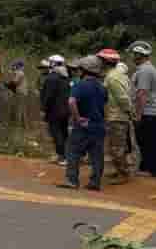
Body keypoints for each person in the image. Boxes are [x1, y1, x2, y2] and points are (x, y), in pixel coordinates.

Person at [61, 55, 108, 191]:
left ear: (83, 70)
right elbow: (104, 104)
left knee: (73, 151)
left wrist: (77, 118)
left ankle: (72, 180)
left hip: (84, 125)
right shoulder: (102, 87)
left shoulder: (80, 85)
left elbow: (71, 101)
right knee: (97, 155)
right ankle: (95, 182)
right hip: (98, 125)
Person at [98, 48, 134, 184]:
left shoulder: (112, 77)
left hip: (116, 116)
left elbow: (122, 98)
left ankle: (123, 173)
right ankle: (120, 170)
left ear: (105, 62)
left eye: (100, 60)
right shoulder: (119, 75)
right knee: (117, 145)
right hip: (118, 115)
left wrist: (129, 111)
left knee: (116, 146)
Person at [129, 41, 156, 177]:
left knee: (147, 141)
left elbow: (142, 94)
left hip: (147, 112)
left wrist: (138, 115)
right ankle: (145, 167)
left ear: (140, 55)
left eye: (134, 54)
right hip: (148, 111)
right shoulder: (146, 69)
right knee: (146, 141)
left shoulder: (145, 70)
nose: (133, 56)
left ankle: (150, 169)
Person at [41, 56, 70, 166]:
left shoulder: (51, 78)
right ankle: (65, 156)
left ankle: (61, 156)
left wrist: (43, 109)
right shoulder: (66, 77)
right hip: (65, 110)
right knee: (64, 133)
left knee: (56, 133)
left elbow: (48, 96)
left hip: (54, 111)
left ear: (52, 64)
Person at [6, 60, 28, 128]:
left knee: (19, 109)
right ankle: (25, 125)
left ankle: (17, 125)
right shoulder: (20, 72)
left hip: (20, 92)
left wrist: (8, 84)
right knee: (22, 109)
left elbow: (15, 82)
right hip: (22, 92)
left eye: (15, 66)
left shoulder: (19, 73)